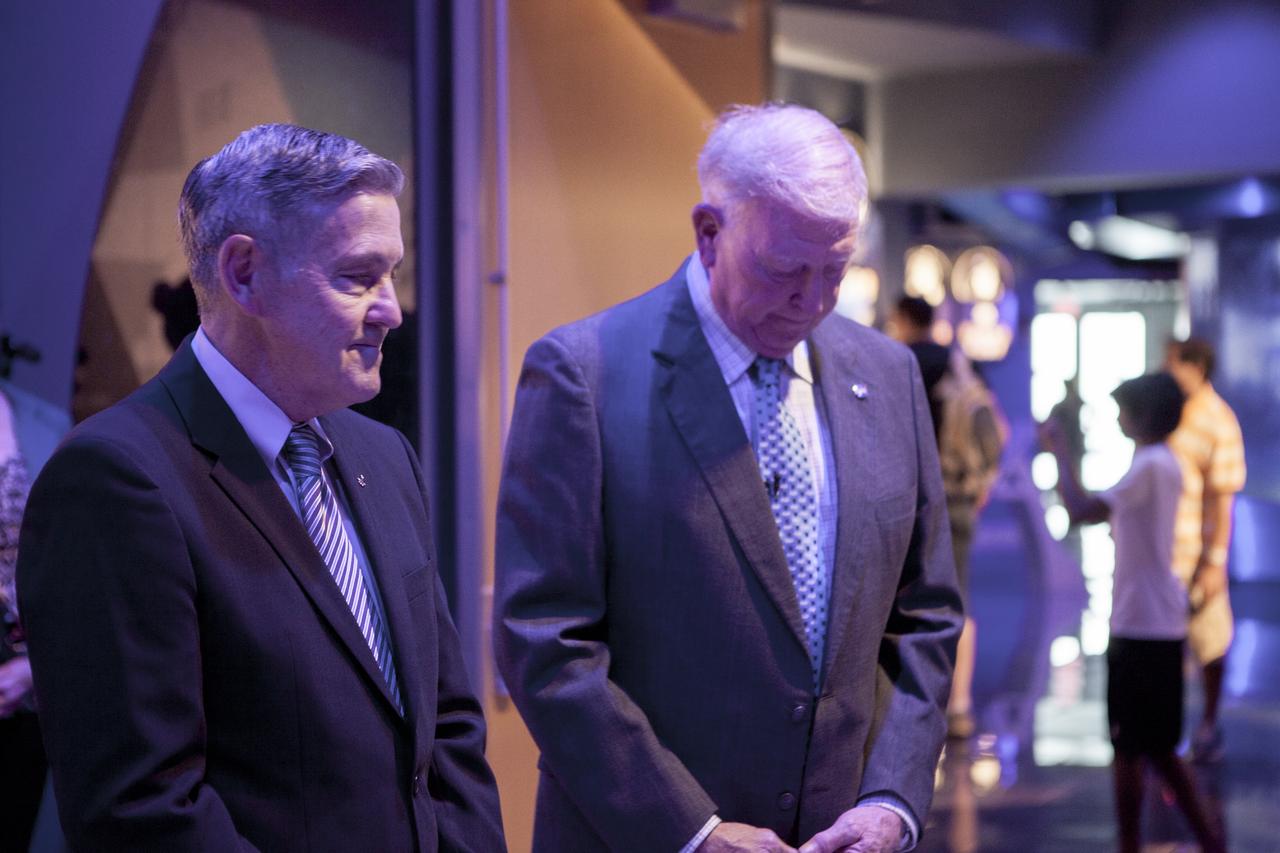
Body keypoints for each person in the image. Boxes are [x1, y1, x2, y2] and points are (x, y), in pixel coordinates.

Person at [17, 124, 505, 851]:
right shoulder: (116, 478)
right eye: (358, 276)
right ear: (243, 272)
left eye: (392, 274)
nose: (391, 309)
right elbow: (143, 810)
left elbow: (450, 735)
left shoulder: (385, 455)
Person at [494, 104, 962, 853]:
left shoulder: (888, 373)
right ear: (710, 232)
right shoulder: (584, 373)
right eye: (783, 270)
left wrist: (892, 800)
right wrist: (694, 831)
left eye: (835, 271)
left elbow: (925, 615)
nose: (811, 302)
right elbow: (545, 642)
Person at [1042, 373, 1224, 853]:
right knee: (1158, 748)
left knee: (1132, 748)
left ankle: (1133, 845)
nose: (1118, 418)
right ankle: (1205, 841)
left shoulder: (1149, 465)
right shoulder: (1159, 463)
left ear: (1142, 416)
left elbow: (1081, 510)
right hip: (1154, 621)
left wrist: (1058, 447)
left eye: (1122, 409)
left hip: (1140, 624)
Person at [888, 296, 1005, 741]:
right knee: (958, 601)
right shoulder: (962, 364)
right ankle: (959, 706)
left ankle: (908, 703)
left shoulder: (897, 361)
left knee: (897, 603)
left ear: (901, 320)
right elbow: (999, 432)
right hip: (957, 498)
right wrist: (979, 489)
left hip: (906, 501)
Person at [1164, 337, 1246, 763]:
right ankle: (1170, 731)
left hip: (1196, 556)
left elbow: (1223, 498)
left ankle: (1210, 724)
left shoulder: (1219, 420)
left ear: (1195, 367)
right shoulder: (1172, 412)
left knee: (1210, 643)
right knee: (1166, 648)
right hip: (1166, 556)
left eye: (1173, 363)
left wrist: (1214, 561)